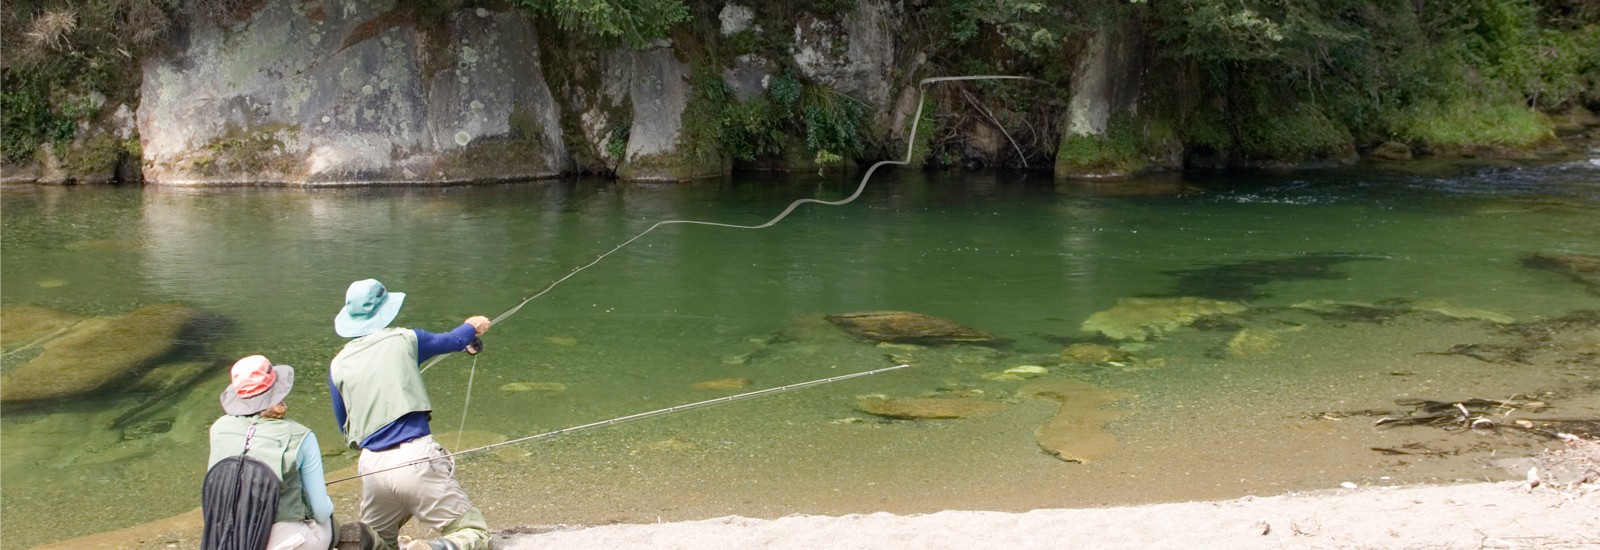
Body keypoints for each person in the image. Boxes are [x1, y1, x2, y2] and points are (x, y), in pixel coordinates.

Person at [328, 278, 491, 550]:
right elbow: (452, 340)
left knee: (379, 541)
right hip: (415, 457)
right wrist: (473, 326)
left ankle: (363, 544)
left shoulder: (338, 364)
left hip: (371, 466)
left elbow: (344, 425)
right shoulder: (406, 339)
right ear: (385, 309)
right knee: (473, 532)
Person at [205, 355, 336, 550]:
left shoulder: (218, 428)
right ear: (277, 390)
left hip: (228, 537)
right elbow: (321, 511)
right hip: (286, 542)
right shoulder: (302, 436)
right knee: (330, 523)